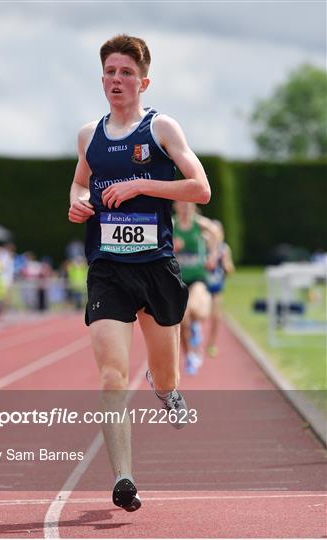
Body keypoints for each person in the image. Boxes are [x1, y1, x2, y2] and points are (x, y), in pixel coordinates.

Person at [68, 34, 211, 512]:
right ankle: (124, 478)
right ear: (102, 78)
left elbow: (200, 189)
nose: (116, 79)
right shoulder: (89, 134)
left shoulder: (161, 128)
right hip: (108, 268)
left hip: (155, 267)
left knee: (166, 374)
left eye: (126, 72)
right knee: (111, 375)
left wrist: (138, 185)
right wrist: (77, 203)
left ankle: (166, 387)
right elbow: (79, 181)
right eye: (109, 71)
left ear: (143, 81)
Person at [173, 202, 217, 374]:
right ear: (176, 206)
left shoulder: (200, 224)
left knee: (195, 310)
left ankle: (196, 326)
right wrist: (171, 245)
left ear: (193, 206)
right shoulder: (172, 224)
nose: (185, 207)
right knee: (181, 320)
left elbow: (215, 232)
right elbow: (159, 241)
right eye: (181, 204)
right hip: (178, 278)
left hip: (198, 276)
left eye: (188, 204)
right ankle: (190, 355)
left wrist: (212, 254)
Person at [206, 220, 234, 357]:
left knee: (216, 316)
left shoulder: (224, 249)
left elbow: (230, 270)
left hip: (217, 287)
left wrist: (224, 264)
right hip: (203, 285)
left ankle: (211, 343)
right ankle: (196, 336)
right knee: (199, 314)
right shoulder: (203, 246)